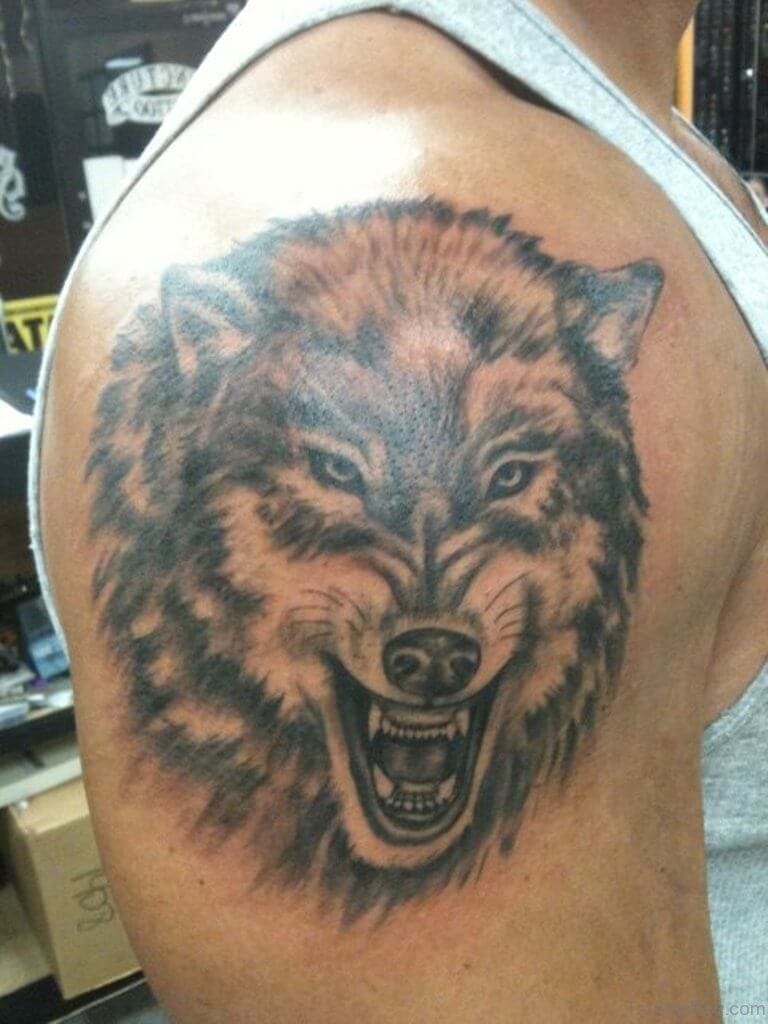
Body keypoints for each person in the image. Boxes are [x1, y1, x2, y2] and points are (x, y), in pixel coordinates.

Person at [31, 1, 768, 1020]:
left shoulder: (628, 130)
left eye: (509, 477)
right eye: (338, 471)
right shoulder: (437, 157)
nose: (434, 617)